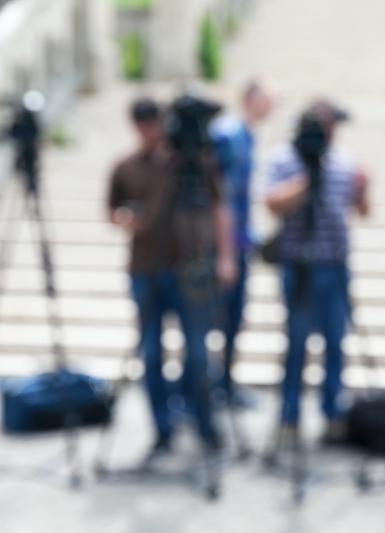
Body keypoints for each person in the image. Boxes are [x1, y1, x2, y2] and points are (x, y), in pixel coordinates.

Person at [107, 97, 237, 460]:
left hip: (188, 267)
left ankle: (204, 423)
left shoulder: (193, 162)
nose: (151, 132)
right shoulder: (126, 166)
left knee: (197, 351)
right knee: (150, 352)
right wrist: (127, 218)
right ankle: (163, 429)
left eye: (155, 124)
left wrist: (225, 257)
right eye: (143, 125)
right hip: (146, 269)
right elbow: (111, 211)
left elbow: (218, 206)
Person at [264, 100, 368, 443]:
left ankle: (332, 414)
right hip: (298, 266)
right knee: (296, 343)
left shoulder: (344, 162)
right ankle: (289, 417)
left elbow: (361, 210)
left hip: (335, 265)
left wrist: (364, 189)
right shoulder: (285, 158)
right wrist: (307, 178)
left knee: (335, 343)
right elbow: (272, 203)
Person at [209, 81, 273, 405]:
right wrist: (227, 249)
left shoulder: (247, 135)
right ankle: (210, 386)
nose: (272, 105)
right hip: (224, 245)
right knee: (216, 319)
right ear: (251, 98)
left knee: (234, 319)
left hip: (240, 242)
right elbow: (223, 196)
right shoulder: (229, 134)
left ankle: (224, 382)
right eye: (267, 98)